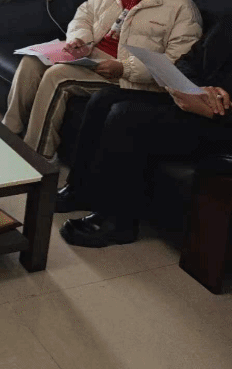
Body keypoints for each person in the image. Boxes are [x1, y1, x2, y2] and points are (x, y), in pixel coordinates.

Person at [2, 0, 202, 158]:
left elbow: (176, 65)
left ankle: (36, 156)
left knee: (58, 76)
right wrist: (79, 39)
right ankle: (8, 133)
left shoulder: (180, 6)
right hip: (90, 56)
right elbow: (83, 16)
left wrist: (124, 68)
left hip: (129, 76)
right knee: (31, 61)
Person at [56, 14, 232, 247]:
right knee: (104, 99)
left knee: (127, 116)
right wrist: (197, 89)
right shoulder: (228, 23)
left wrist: (216, 109)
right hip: (194, 103)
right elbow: (186, 63)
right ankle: (81, 191)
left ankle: (118, 222)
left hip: (222, 123)